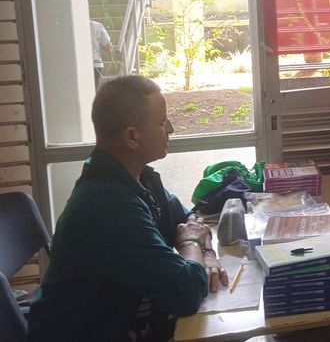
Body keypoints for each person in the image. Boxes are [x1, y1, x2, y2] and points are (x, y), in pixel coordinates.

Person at [28, 75, 228, 341]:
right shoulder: (106, 207)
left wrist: (206, 251)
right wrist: (192, 241)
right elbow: (185, 293)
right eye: (161, 121)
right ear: (132, 137)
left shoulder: (137, 177)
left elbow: (187, 219)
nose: (171, 128)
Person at [90, 19, 113, 90]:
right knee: (94, 91)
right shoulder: (97, 26)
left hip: (77, 65)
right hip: (95, 64)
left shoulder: (72, 26)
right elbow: (109, 48)